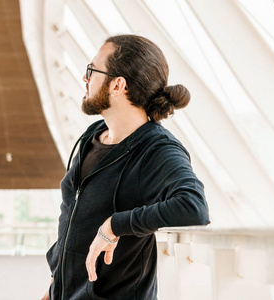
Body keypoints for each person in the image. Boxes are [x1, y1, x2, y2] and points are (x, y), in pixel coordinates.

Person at [42, 34, 210, 300]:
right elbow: (73, 216)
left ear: (117, 85)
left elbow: (193, 207)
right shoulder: (92, 136)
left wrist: (114, 225)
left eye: (92, 70)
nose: (85, 79)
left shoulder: (156, 149)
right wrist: (55, 284)